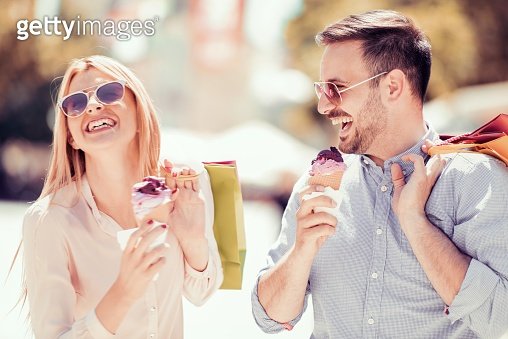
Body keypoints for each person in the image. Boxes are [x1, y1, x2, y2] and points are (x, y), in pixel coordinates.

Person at [252, 9, 508, 338]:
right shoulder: (317, 186)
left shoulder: (474, 180)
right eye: (322, 89)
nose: (324, 106)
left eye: (337, 88)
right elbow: (268, 318)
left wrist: (416, 225)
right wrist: (301, 250)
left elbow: (501, 320)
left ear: (392, 87)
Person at [22, 55, 223, 338]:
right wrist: (124, 291)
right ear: (71, 137)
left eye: (109, 92)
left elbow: (201, 292)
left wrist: (193, 241)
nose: (93, 105)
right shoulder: (49, 221)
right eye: (75, 104)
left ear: (139, 112)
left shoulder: (187, 185)